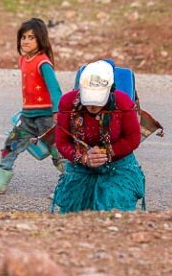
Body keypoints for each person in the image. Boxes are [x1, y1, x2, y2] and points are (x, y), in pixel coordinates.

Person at [0, 18, 66, 193]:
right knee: (11, 145)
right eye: (23, 37)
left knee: (58, 152)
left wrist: (58, 112)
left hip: (46, 118)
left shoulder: (43, 63)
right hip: (27, 117)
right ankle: (0, 181)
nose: (25, 41)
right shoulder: (23, 60)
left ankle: (70, 186)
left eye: (31, 37)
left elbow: (55, 89)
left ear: (40, 39)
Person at [51, 60, 145, 212]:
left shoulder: (123, 103)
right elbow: (62, 142)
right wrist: (83, 157)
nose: (93, 106)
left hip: (118, 164)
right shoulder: (68, 103)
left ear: (110, 91)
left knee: (114, 208)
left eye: (97, 101)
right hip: (80, 164)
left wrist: (106, 153)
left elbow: (132, 139)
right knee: (73, 212)